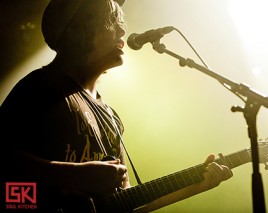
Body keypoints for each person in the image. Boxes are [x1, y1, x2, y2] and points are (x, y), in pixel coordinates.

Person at [0, 0, 233, 212]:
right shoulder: (41, 87)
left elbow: (125, 204)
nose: (122, 30)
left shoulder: (111, 117)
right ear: (79, 30)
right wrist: (73, 176)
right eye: (111, 21)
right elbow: (10, 189)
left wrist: (194, 187)